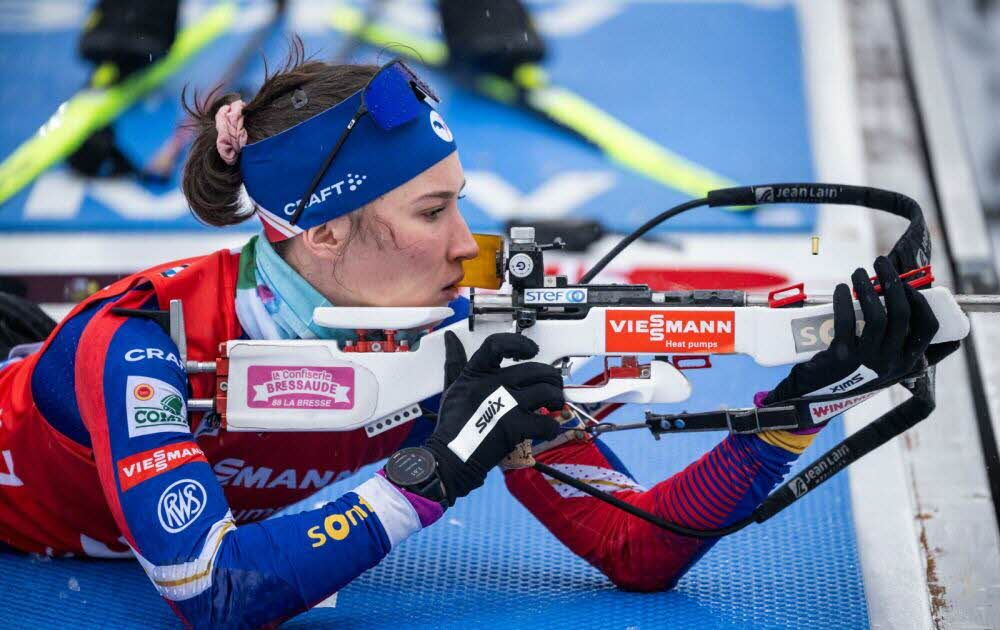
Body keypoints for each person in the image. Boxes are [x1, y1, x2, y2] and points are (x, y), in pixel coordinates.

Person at [0, 44, 941, 627]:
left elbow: (636, 546)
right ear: (323, 232)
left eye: (464, 203)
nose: (468, 247)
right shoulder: (138, 342)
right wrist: (435, 474)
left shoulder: (453, 335)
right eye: (433, 212)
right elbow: (215, 595)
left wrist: (807, 401)